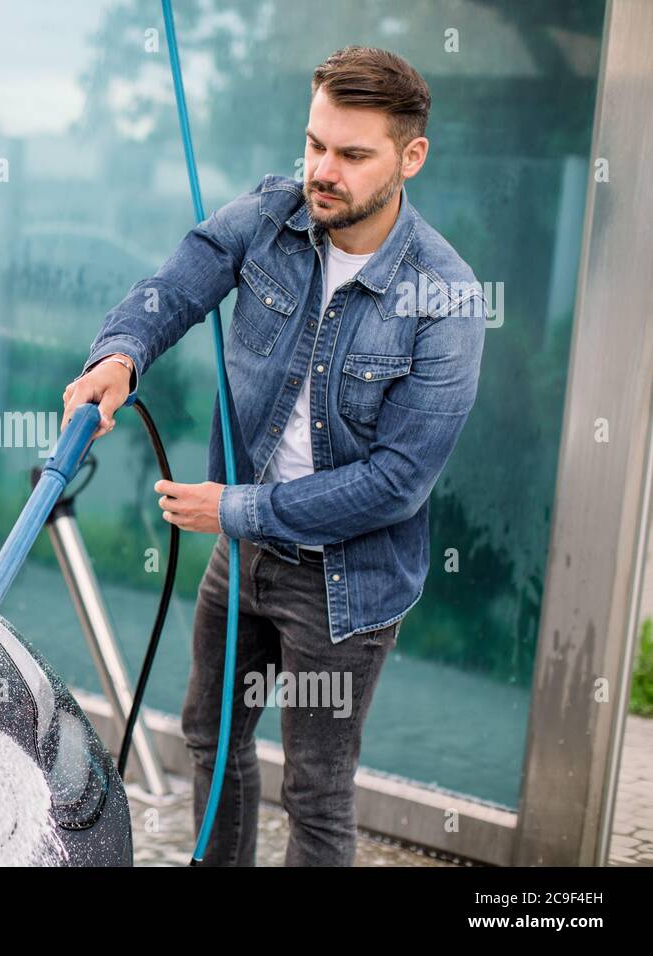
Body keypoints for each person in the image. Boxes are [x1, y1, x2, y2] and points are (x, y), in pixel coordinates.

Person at [61, 46, 487, 866]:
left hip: (346, 584)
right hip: (241, 558)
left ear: (411, 156)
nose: (323, 172)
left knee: (316, 791)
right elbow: (177, 284)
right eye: (315, 143)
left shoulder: (448, 301)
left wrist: (233, 509)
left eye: (352, 155)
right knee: (211, 740)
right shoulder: (272, 213)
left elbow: (396, 484)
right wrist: (118, 357)